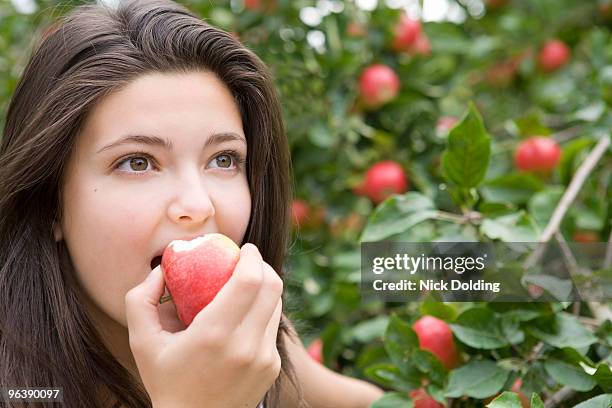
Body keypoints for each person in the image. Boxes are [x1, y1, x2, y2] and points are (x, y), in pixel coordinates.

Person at [0, 0, 384, 407]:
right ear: (50, 204)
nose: (198, 205)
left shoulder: (246, 348)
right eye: (138, 162)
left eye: (223, 160)